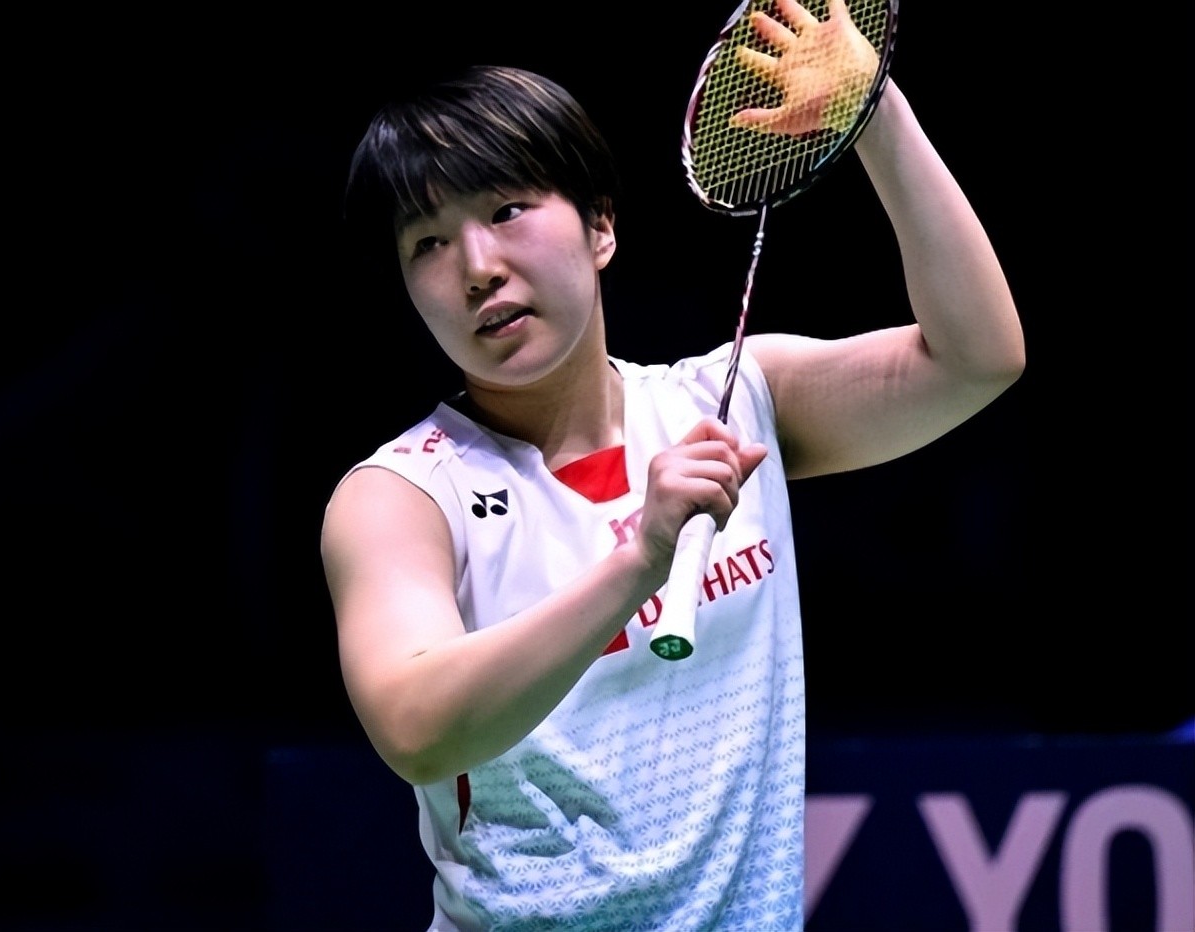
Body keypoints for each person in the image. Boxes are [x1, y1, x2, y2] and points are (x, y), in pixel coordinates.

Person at [320, 2, 1024, 927]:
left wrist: (874, 112)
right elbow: (417, 729)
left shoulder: (732, 403)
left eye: (506, 211)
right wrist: (639, 559)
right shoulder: (404, 496)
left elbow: (977, 358)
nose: (478, 266)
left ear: (600, 229)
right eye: (428, 243)